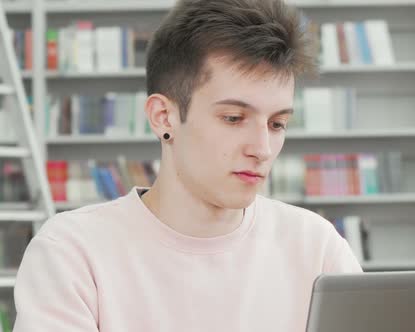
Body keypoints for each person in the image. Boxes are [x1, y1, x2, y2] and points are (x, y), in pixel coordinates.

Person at [13, 0, 362, 330]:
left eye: (277, 124)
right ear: (163, 117)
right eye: (233, 118)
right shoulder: (72, 253)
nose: (262, 149)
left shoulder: (317, 247)